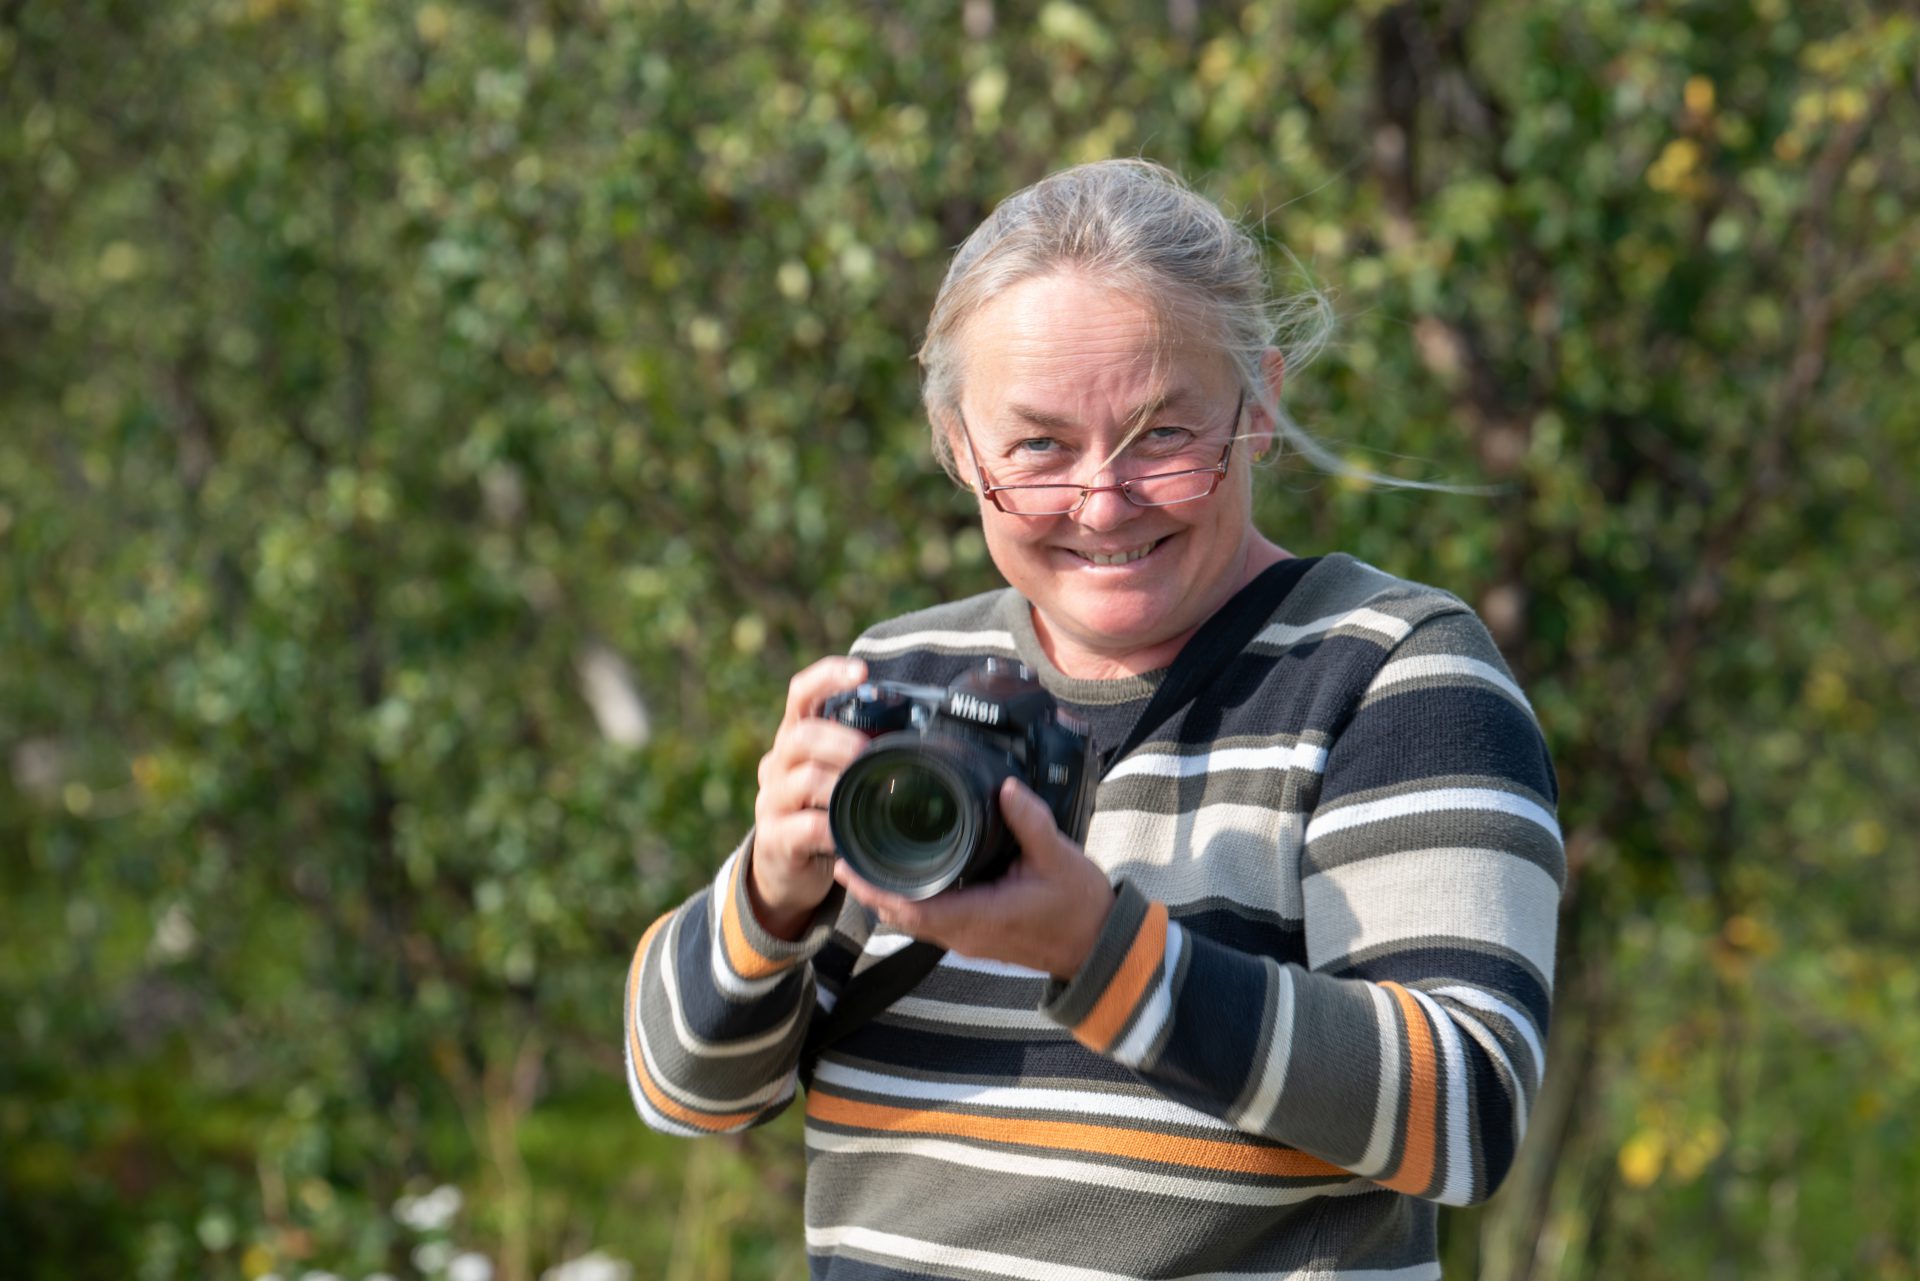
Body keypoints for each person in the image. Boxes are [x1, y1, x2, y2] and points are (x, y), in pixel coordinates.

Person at [624, 159, 1562, 1280]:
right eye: (1038, 447)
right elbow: (685, 1092)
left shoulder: (1389, 673)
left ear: (1260, 407)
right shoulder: (907, 679)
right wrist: (769, 895)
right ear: (957, 446)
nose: (1102, 502)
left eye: (1163, 435)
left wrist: (1096, 951)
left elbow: (1469, 1109)